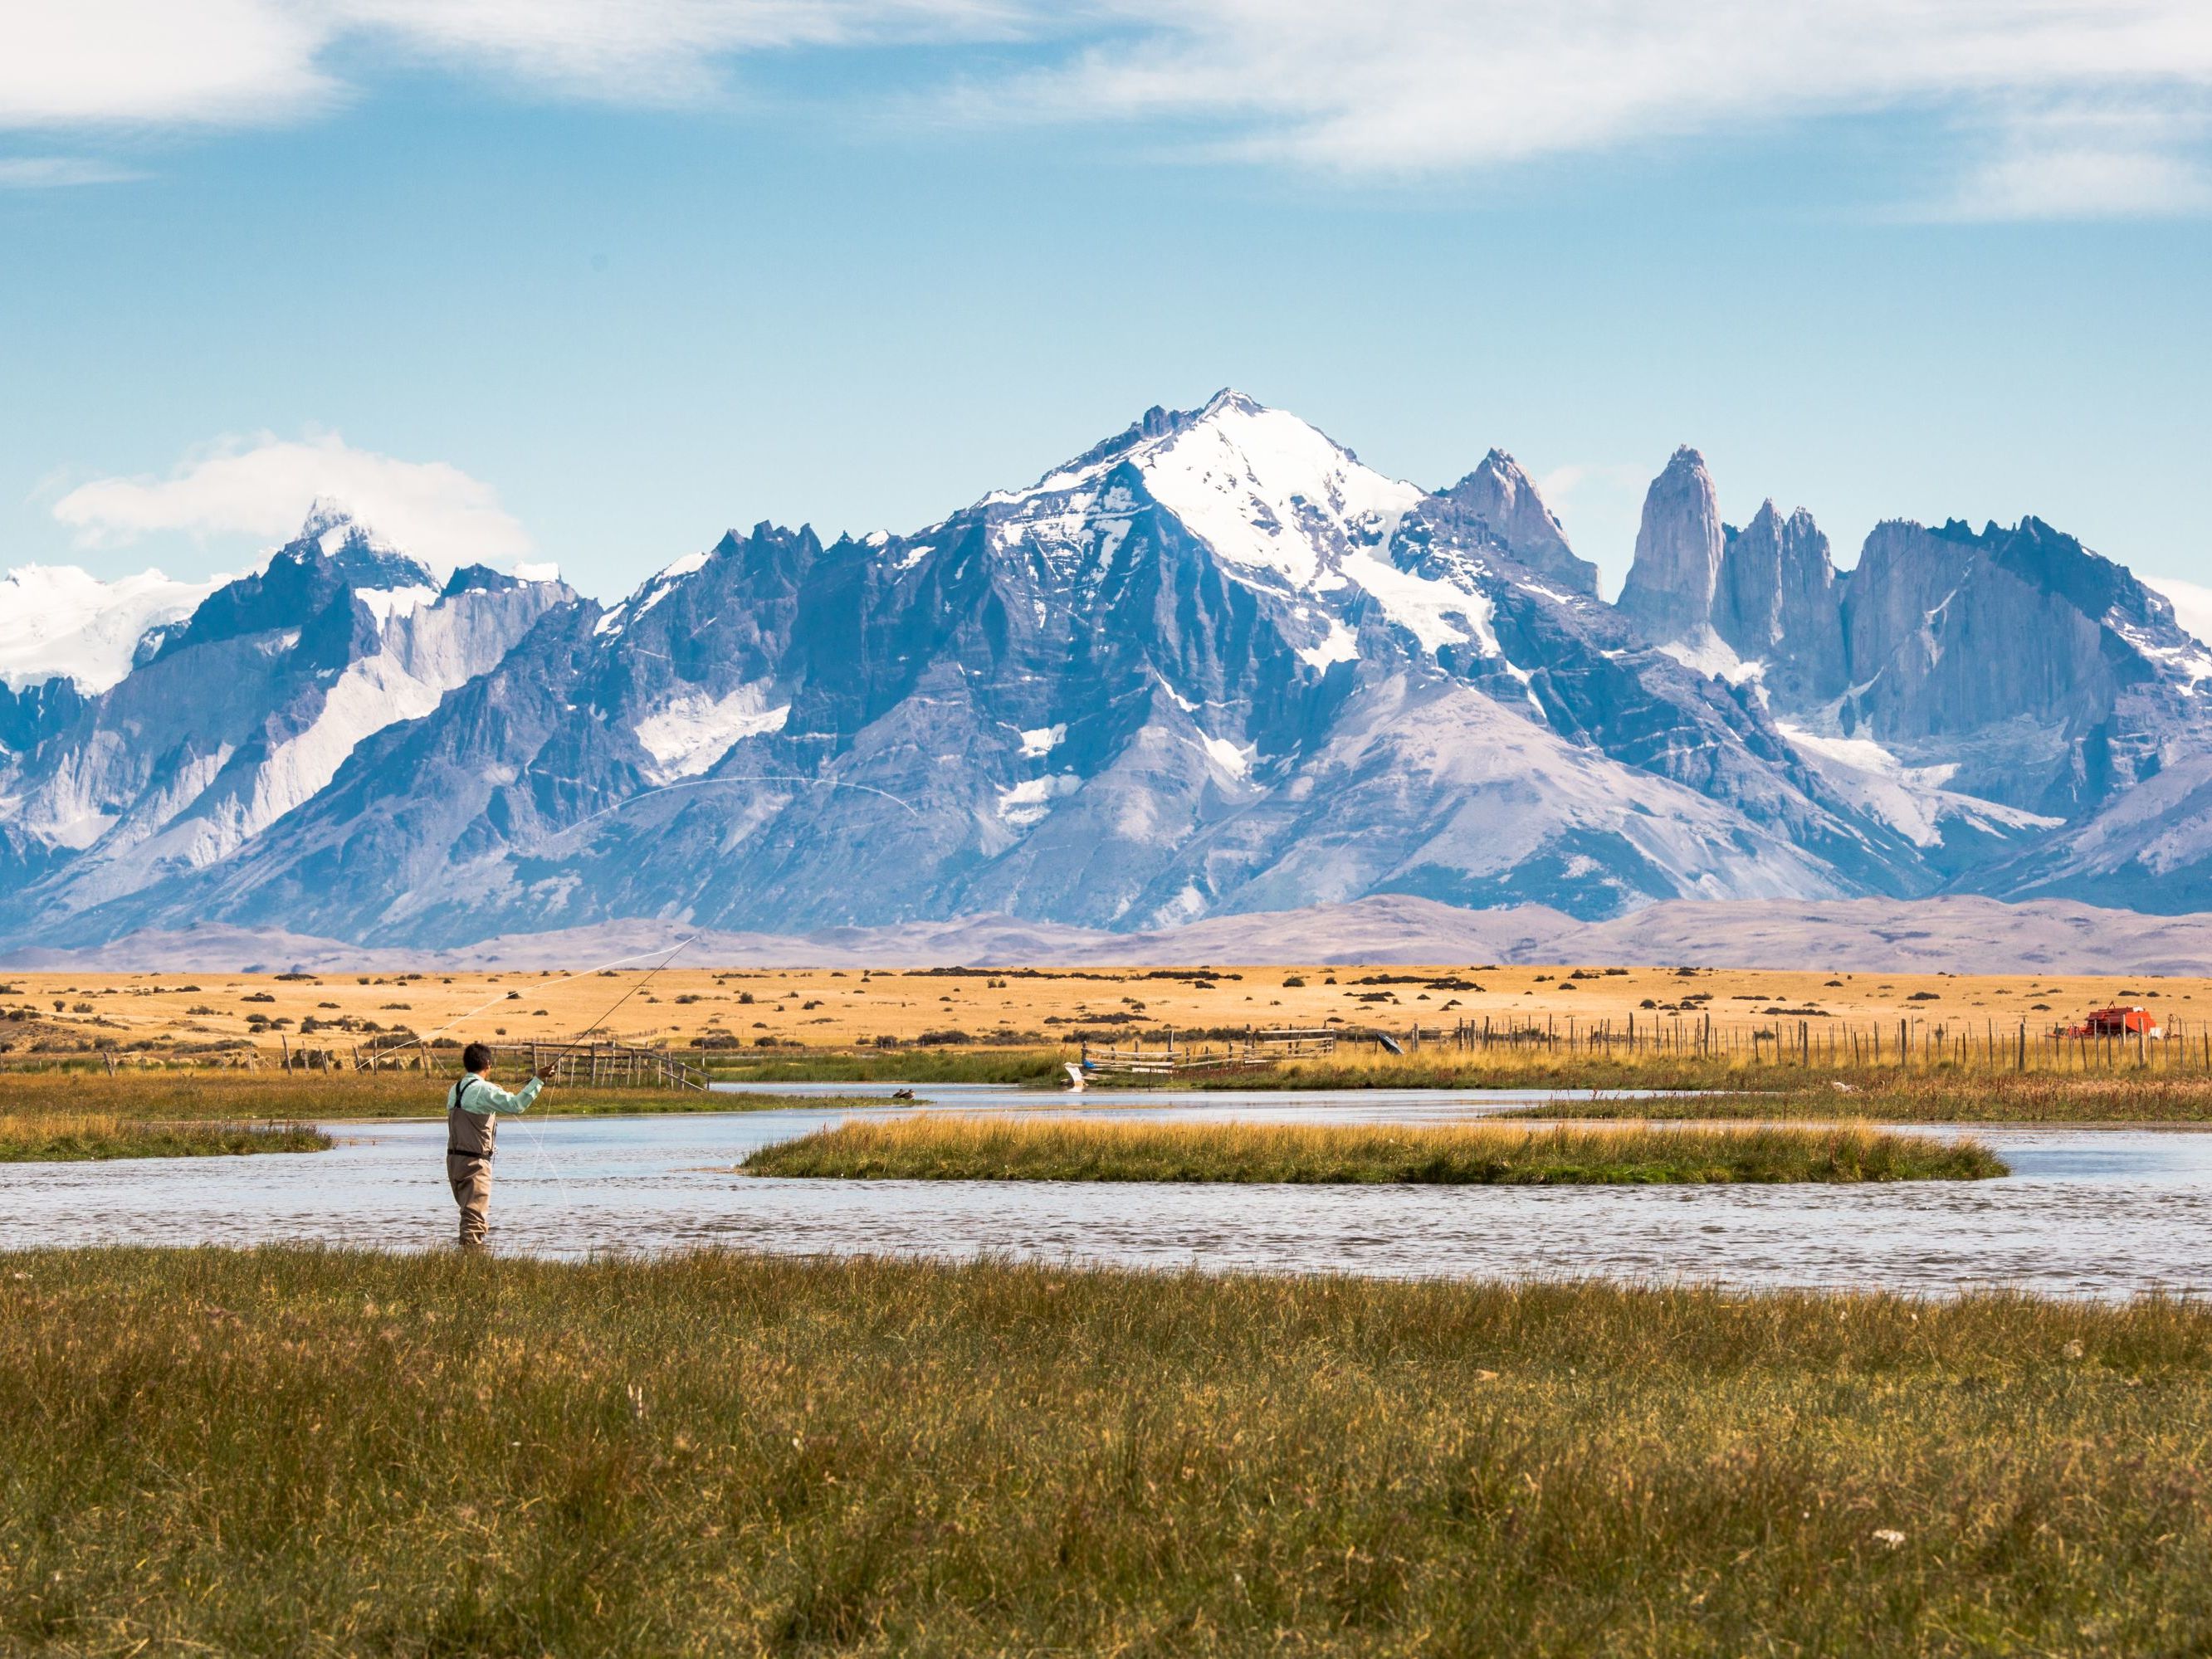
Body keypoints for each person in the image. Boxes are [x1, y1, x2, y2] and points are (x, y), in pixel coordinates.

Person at [446, 1042, 548, 1249]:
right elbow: (516, 1105)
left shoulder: (454, 1090)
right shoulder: (483, 1090)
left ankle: (465, 1258)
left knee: (469, 1213)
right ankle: (471, 1264)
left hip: (454, 1161)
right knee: (474, 1220)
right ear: (488, 1064)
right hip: (475, 1161)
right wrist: (539, 1079)